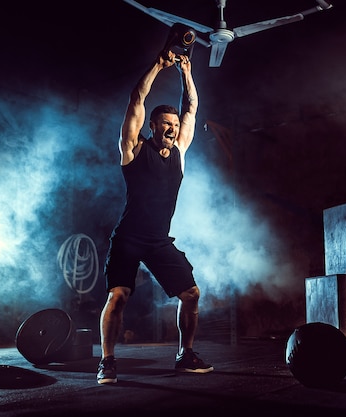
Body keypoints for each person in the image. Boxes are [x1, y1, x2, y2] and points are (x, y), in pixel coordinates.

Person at [96, 48, 213, 384]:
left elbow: (192, 107)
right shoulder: (133, 149)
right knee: (118, 296)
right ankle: (107, 361)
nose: (172, 128)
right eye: (165, 123)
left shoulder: (179, 152)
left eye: (175, 125)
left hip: (159, 240)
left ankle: (185, 354)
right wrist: (159, 66)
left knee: (191, 294)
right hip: (129, 238)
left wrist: (186, 72)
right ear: (153, 125)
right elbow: (137, 96)